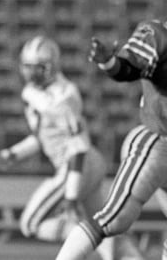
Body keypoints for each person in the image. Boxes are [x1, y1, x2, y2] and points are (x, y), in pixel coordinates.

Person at [0, 36, 143, 260]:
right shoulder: (39, 94)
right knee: (105, 223)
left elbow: (77, 146)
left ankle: (79, 233)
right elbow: (45, 136)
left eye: (37, 68)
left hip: (78, 163)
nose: (31, 73)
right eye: (27, 67)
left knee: (30, 223)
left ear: (51, 67)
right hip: (85, 162)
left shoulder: (63, 94)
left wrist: (72, 195)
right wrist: (15, 153)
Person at [55, 20, 167, 260]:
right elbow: (129, 66)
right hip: (157, 143)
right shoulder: (159, 34)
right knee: (114, 218)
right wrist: (110, 62)